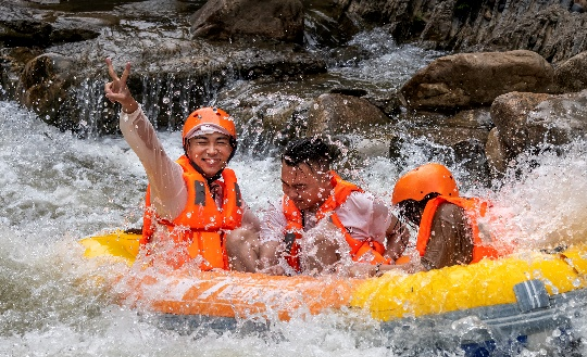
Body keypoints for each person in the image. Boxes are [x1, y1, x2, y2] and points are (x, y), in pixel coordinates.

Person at [103, 58, 261, 270]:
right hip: (177, 285)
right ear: (187, 147)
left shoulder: (227, 191)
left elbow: (260, 231)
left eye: (221, 143)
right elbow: (151, 149)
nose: (212, 151)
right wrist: (130, 106)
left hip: (221, 285)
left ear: (231, 149)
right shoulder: (173, 183)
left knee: (244, 236)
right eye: (202, 142)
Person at [227, 137, 410, 276]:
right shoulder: (280, 208)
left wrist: (388, 260)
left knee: (320, 238)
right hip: (299, 284)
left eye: (300, 187)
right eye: (285, 185)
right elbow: (269, 250)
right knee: (237, 238)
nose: (291, 194)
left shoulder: (359, 203)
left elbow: (401, 231)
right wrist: (268, 268)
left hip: (349, 281)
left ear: (325, 179)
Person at [391, 163, 514, 270]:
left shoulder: (446, 213)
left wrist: (380, 270)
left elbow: (427, 270)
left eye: (410, 212)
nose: (413, 219)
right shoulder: (472, 209)